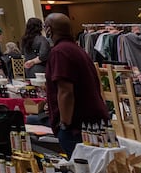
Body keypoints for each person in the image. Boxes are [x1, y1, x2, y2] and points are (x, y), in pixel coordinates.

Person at [44, 13, 109, 154]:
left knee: (82, 166)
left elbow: (66, 91)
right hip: (92, 121)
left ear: (49, 30)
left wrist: (64, 124)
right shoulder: (78, 50)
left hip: (76, 125)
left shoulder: (59, 52)